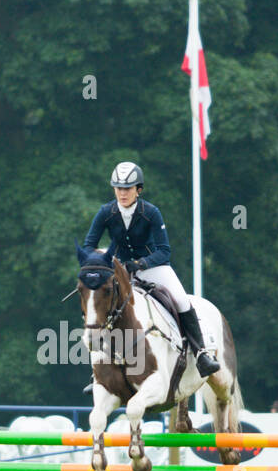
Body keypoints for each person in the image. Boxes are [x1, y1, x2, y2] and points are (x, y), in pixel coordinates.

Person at [80, 161, 220, 377]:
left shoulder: (151, 212)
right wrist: (103, 262)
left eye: (127, 188)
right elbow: (89, 245)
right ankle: (98, 372)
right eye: (118, 188)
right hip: (119, 270)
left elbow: (164, 251)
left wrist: (140, 264)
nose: (122, 193)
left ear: (139, 190)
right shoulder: (105, 212)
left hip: (153, 267)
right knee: (99, 305)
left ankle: (201, 353)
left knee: (182, 300)